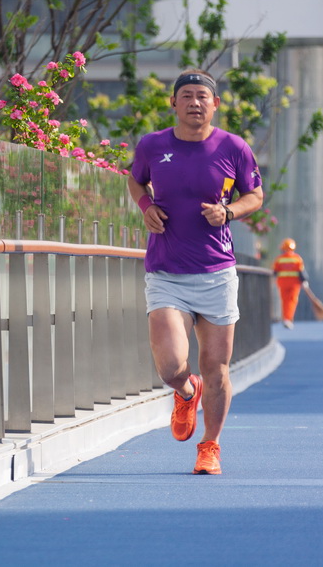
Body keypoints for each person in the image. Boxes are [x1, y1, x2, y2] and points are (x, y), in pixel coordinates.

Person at [127, 69, 264, 475]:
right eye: (186, 95)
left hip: (217, 273)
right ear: (174, 102)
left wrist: (228, 212)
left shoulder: (234, 147)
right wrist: (146, 208)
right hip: (167, 272)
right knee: (171, 366)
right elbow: (135, 183)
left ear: (215, 104)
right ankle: (186, 393)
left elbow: (254, 194)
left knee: (217, 368)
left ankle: (210, 446)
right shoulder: (153, 145)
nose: (194, 102)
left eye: (202, 96)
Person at [272, 238, 306, 329]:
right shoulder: (297, 258)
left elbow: (275, 272)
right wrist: (304, 281)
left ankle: (286, 319)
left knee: (284, 301)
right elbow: (301, 272)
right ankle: (288, 319)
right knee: (292, 301)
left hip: (282, 283)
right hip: (294, 284)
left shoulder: (279, 259)